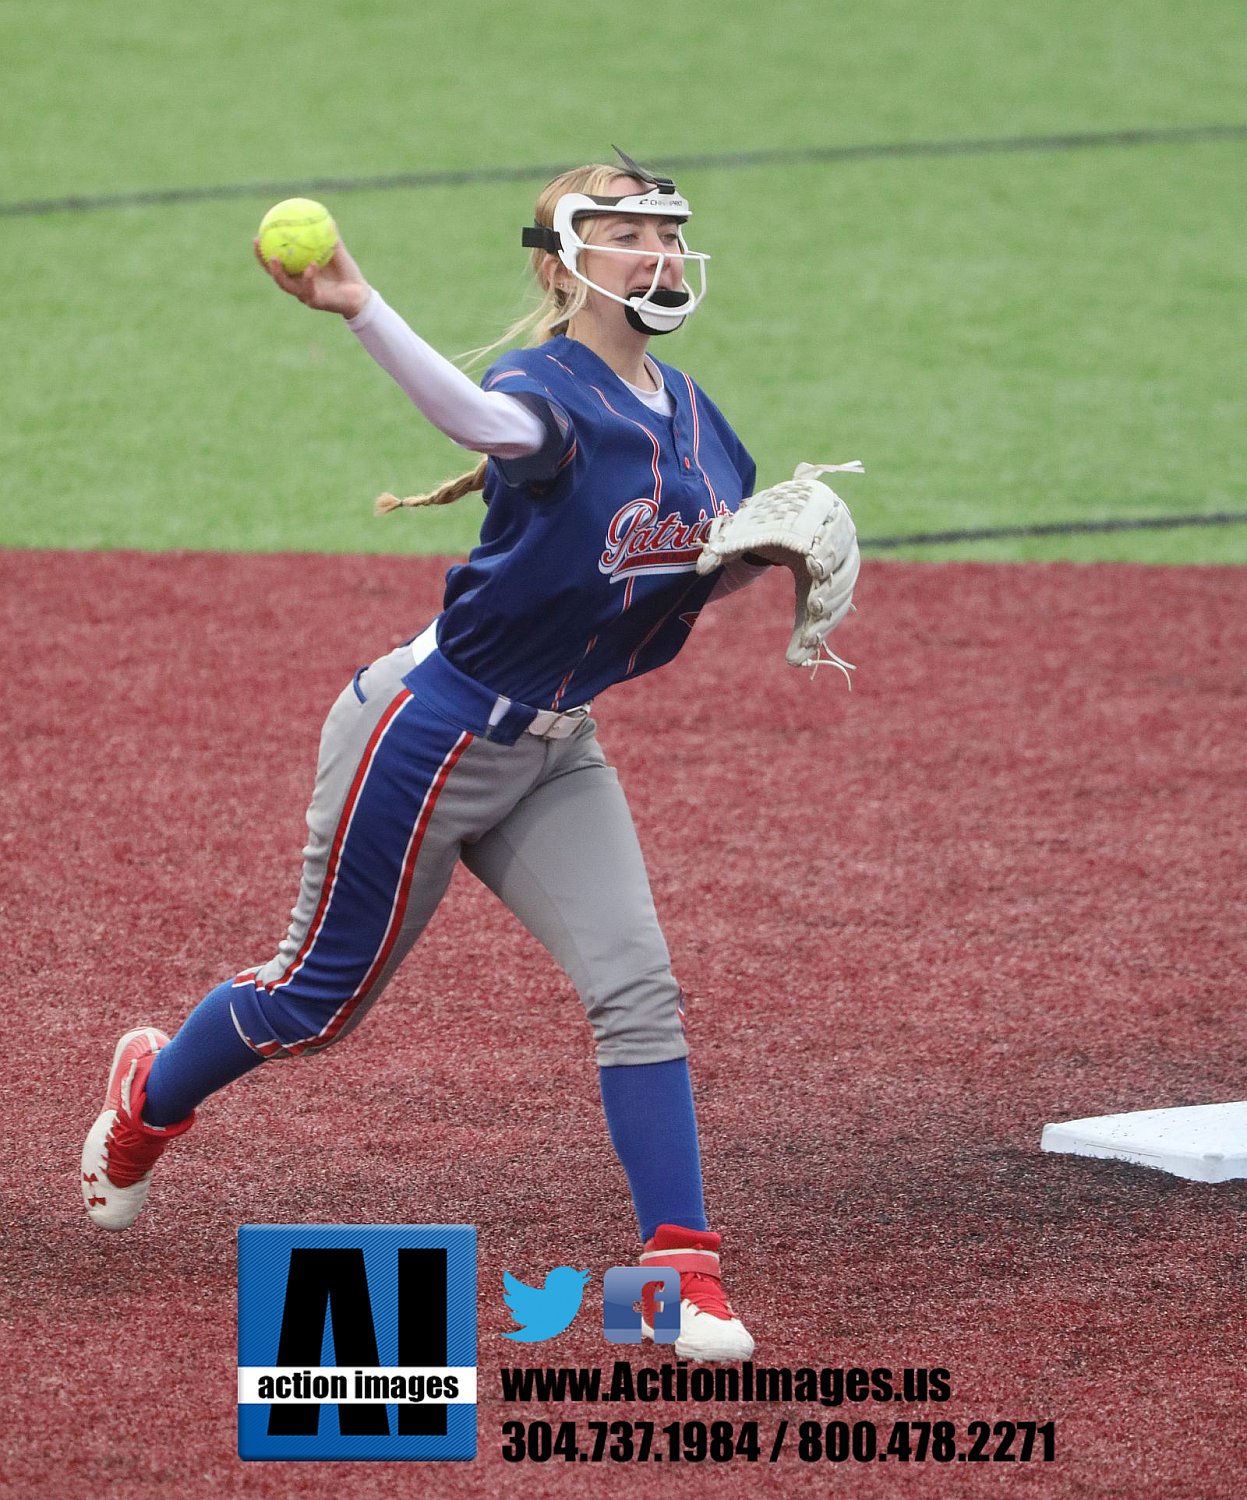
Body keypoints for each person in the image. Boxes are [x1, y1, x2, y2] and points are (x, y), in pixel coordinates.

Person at [80, 150, 770, 1362]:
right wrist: (363, 309)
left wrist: (769, 556)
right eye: (625, 235)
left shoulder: (701, 424)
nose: (656, 253)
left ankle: (683, 1274)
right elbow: (482, 423)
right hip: (427, 734)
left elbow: (666, 578)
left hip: (559, 749)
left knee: (637, 988)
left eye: (665, 232)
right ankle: (148, 1097)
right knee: (313, 1004)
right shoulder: (542, 388)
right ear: (564, 268)